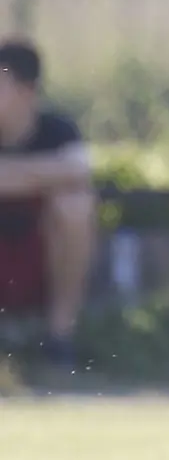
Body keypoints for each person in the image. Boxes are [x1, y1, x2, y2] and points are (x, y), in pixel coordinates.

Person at [0, 38, 99, 375]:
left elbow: (79, 171)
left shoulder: (58, 130)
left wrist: (12, 175)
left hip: (38, 258)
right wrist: (45, 175)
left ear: (27, 90)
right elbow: (64, 170)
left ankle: (59, 337)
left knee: (75, 206)